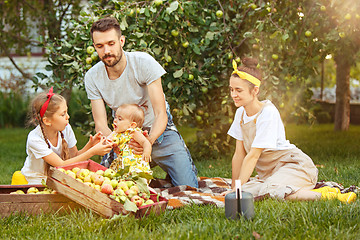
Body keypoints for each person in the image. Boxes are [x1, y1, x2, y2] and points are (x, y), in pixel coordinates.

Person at [221, 58, 356, 203]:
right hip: (271, 174)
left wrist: (237, 191)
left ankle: (330, 195)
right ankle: (278, 186)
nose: (233, 95)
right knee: (249, 193)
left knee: (270, 191)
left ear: (255, 91)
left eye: (238, 90)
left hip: (295, 167)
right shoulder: (240, 114)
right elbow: (239, 154)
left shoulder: (267, 113)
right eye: (231, 89)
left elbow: (253, 156)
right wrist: (235, 188)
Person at [84, 17, 198, 188]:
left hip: (158, 131)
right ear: (95, 47)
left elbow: (161, 113)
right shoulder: (92, 77)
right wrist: (115, 144)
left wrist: (148, 142)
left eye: (111, 43)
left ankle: (175, 166)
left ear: (121, 41)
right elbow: (100, 123)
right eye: (100, 46)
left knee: (189, 187)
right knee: (110, 188)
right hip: (122, 137)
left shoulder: (143, 62)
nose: (106, 50)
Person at [12, 87, 113, 185]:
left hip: (57, 177)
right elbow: (61, 165)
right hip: (36, 179)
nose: (68, 117)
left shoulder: (66, 128)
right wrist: (93, 152)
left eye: (67, 112)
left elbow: (74, 157)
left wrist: (90, 145)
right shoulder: (35, 139)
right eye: (63, 114)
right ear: (47, 121)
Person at [107, 104, 152, 176]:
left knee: (137, 179)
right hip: (121, 164)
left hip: (134, 165)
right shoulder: (116, 133)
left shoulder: (133, 132)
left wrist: (147, 151)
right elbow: (108, 140)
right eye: (115, 117)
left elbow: (145, 142)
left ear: (132, 125)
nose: (115, 121)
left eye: (120, 119)